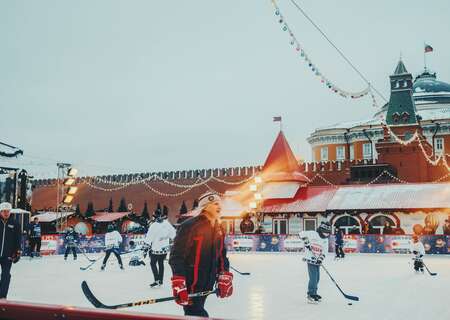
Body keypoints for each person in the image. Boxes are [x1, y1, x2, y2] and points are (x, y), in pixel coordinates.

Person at [169, 192, 233, 317]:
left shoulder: (219, 228)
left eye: (219, 203)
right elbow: (176, 256)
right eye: (215, 204)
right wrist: (179, 282)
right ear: (205, 206)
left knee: (195, 313)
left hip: (207, 284)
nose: (219, 206)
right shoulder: (190, 226)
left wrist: (224, 275)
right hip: (191, 285)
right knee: (197, 314)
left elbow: (221, 256)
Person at [299, 221, 331, 303]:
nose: (327, 234)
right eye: (325, 232)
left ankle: (314, 293)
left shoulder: (325, 240)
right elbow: (301, 233)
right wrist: (306, 242)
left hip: (317, 261)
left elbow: (324, 251)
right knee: (313, 278)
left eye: (328, 233)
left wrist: (320, 259)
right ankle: (310, 294)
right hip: (310, 259)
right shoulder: (313, 234)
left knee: (317, 278)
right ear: (321, 230)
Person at [145, 210, 176, 288]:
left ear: (154, 217)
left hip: (156, 249)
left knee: (153, 263)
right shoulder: (166, 223)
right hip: (164, 249)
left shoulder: (154, 225)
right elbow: (173, 233)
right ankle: (160, 281)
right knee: (161, 263)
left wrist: (145, 247)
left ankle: (157, 280)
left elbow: (149, 238)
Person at [0, 202, 21, 299]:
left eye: (8, 211)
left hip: (7, 255)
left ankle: (2, 296)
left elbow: (18, 239)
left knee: (6, 275)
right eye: (4, 211)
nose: (6, 213)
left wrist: (18, 252)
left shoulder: (15, 223)